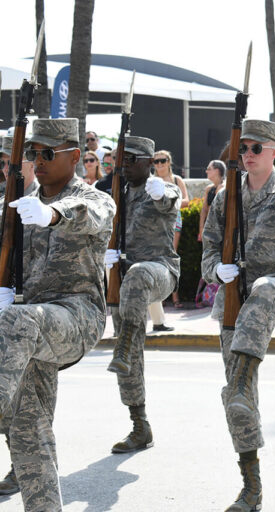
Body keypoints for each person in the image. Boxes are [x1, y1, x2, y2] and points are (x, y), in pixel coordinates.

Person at [0, 118, 115, 510]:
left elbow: (88, 213)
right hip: (29, 328)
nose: (39, 160)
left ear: (76, 156)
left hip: (77, 317)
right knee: (29, 428)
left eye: (48, 153)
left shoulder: (93, 199)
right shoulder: (18, 204)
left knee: (16, 321)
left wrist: (52, 214)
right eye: (34, 152)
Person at [201, 119, 275, 511]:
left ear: (274, 152)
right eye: (243, 148)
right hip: (233, 295)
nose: (247, 155)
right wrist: (215, 270)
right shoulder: (225, 195)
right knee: (239, 402)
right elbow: (209, 247)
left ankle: (242, 380)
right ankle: (251, 485)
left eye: (256, 148)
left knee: (264, 290)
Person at [103, 136, 180, 454]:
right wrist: (104, 253)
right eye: (121, 159)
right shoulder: (115, 195)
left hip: (159, 270)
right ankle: (140, 425)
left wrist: (162, 192)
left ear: (149, 162)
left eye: (132, 159)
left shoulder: (160, 188)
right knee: (130, 359)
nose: (124, 164)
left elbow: (170, 201)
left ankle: (123, 345)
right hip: (124, 280)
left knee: (138, 275)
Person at [0, 135, 40, 498]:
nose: (5, 169)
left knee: (22, 397)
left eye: (8, 162)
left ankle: (22, 468)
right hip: (5, 304)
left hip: (35, 311)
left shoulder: (49, 201)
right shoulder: (3, 202)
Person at [153, 150, 189, 309]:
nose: (159, 164)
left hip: (174, 220)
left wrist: (168, 202)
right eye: (156, 161)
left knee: (171, 256)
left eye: (162, 160)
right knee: (156, 257)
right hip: (155, 222)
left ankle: (175, 296)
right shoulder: (151, 181)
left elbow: (187, 201)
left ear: (168, 162)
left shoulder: (176, 180)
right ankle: (160, 297)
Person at [198, 159, 226, 242]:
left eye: (209, 169)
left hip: (219, 228)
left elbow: (219, 210)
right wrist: (201, 228)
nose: (206, 171)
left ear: (217, 171)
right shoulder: (209, 188)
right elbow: (204, 210)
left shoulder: (223, 188)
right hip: (210, 226)